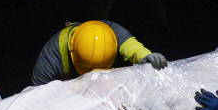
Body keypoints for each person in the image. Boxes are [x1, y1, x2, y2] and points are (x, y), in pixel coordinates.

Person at [31, 19, 167, 86]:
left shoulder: (113, 33)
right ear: (72, 52)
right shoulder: (50, 57)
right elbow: (37, 94)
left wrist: (146, 56)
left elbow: (133, 48)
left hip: (106, 83)